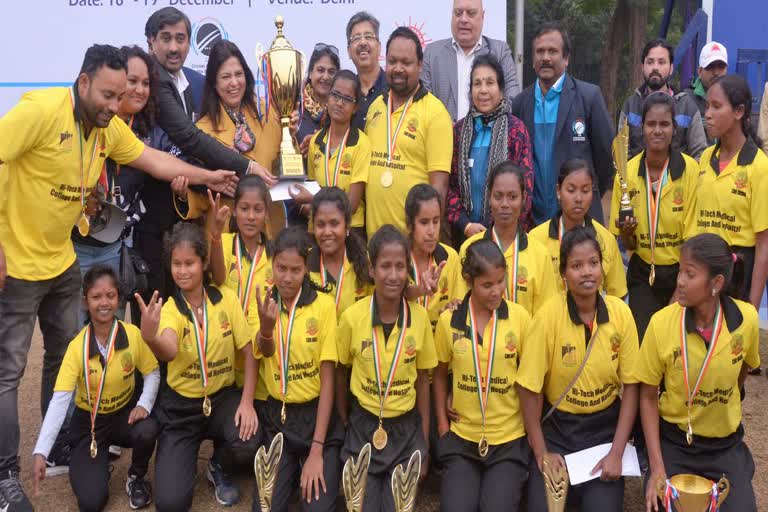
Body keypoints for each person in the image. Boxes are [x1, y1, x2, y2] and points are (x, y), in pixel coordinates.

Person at [0, 44, 236, 510]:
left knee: (62, 355)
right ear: (83, 82)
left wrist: (209, 175)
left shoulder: (104, 131)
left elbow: (156, 162)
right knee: (8, 373)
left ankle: (68, 441)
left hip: (61, 261)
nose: (114, 104)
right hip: (18, 264)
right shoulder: (41, 111)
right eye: (107, 94)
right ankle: (6, 476)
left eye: (121, 94)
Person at [136, 222, 260, 510]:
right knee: (170, 504)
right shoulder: (169, 310)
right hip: (180, 408)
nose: (182, 271)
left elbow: (249, 350)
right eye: (176, 264)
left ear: (204, 263)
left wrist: (247, 401)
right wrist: (150, 336)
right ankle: (181, 458)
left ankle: (217, 464)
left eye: (189, 263)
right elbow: (169, 350)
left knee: (249, 442)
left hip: (221, 398)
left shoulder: (225, 299)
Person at [517, 227, 640, 512]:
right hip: (558, 431)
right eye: (576, 265)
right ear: (563, 274)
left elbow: (632, 387)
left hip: (602, 434)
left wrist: (616, 453)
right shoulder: (547, 316)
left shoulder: (621, 314)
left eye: (593, 263)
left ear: (602, 266)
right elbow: (528, 390)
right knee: (541, 507)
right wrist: (542, 452)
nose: (587, 272)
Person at [636, 234, 759, 512]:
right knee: (661, 504)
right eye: (680, 270)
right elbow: (647, 397)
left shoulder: (746, 319)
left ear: (716, 283)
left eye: (689, 274)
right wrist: (657, 468)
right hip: (675, 443)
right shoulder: (661, 323)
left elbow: (743, 370)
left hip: (723, 447)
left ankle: (740, 463)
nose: (679, 280)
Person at [31, 266, 160, 511]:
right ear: (84, 301)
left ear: (118, 299)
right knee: (91, 502)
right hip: (88, 425)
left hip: (124, 416)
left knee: (148, 428)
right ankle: (98, 467)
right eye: (96, 297)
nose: (104, 303)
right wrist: (41, 450)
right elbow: (59, 401)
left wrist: (144, 403)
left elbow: (152, 373)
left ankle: (136, 477)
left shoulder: (132, 335)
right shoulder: (76, 347)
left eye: (110, 296)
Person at [336, 225, 437, 512]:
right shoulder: (353, 318)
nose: (393, 275)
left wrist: (424, 445)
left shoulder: (419, 319)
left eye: (400, 267)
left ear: (408, 271)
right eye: (385, 266)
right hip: (362, 426)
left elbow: (423, 383)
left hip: (406, 431)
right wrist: (346, 420)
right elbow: (342, 371)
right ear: (371, 269)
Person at [433, 239, 531, 511]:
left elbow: (531, 381)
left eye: (500, 281)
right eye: (487, 285)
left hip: (508, 440)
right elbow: (440, 375)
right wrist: (443, 428)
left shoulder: (520, 319)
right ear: (469, 281)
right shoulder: (448, 322)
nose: (496, 291)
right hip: (462, 438)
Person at [251, 227, 342, 512]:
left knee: (316, 508)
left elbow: (328, 382)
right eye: (281, 268)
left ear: (306, 269)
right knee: (264, 508)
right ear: (272, 265)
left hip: (316, 418)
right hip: (278, 419)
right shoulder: (265, 301)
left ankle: (318, 466)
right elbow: (263, 352)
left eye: (295, 270)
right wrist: (266, 329)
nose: (287, 278)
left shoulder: (324, 306)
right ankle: (289, 474)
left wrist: (317, 449)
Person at [72, 45, 157, 326]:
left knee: (113, 332)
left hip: (116, 244)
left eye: (145, 83)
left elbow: (162, 164)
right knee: (71, 337)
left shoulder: (149, 131)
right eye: (131, 82)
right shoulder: (88, 121)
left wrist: (204, 177)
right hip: (75, 243)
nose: (138, 90)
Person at [144, 7, 275, 182]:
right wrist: (247, 166)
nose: (174, 47)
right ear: (151, 42)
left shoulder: (189, 79)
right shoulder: (153, 80)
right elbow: (189, 138)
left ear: (189, 42)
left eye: (180, 39)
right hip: (154, 195)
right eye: (166, 39)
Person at [170, 39, 284, 237]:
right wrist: (184, 194)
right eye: (225, 76)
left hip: (269, 231)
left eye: (238, 74)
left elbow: (281, 167)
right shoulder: (201, 132)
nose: (234, 83)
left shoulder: (268, 113)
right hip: (225, 236)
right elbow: (204, 194)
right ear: (214, 83)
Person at [609, 93, 699, 339]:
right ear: (642, 128)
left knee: (674, 346)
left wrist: (680, 288)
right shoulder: (626, 171)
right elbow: (628, 245)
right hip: (641, 273)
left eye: (664, 124)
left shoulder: (691, 170)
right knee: (643, 343)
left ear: (674, 128)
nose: (657, 131)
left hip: (681, 272)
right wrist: (627, 235)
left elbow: (692, 241)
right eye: (651, 124)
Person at [511, 23, 614, 224]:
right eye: (540, 52)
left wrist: (584, 195)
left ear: (566, 58)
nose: (546, 58)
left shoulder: (589, 97)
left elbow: (607, 157)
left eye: (553, 51)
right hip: (534, 222)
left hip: (579, 220)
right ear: (533, 60)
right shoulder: (521, 103)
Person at [365, 27, 453, 238]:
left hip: (413, 246)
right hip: (374, 245)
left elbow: (438, 188)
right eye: (393, 61)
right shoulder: (375, 107)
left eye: (406, 63)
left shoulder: (435, 113)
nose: (398, 68)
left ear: (420, 65)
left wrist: (423, 243)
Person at [691, 74, 768, 309]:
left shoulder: (759, 166)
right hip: (702, 273)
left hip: (737, 277)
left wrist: (752, 308)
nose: (708, 114)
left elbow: (764, 245)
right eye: (707, 107)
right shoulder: (704, 158)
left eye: (716, 106)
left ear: (739, 111)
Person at [447, 54, 533, 244]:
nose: (483, 90)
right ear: (470, 91)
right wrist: (466, 225)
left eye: (490, 83)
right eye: (477, 84)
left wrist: (493, 230)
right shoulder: (458, 132)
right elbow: (450, 187)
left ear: (501, 90)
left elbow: (525, 188)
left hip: (505, 236)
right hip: (464, 236)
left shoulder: (516, 131)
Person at [459, 162, 556, 316]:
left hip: (527, 339)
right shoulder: (469, 248)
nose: (505, 204)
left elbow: (546, 316)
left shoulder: (540, 254)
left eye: (512, 197)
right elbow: (461, 305)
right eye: (498, 196)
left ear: (523, 198)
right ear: (489, 197)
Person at [529, 159, 626, 298]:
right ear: (558, 191)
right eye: (571, 190)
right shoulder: (536, 239)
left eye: (585, 190)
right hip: (551, 319)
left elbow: (618, 296)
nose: (579, 198)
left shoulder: (606, 239)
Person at [291, 70, 370, 233]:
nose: (340, 103)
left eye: (347, 99)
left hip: (350, 231)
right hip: (319, 229)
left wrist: (313, 199)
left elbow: (352, 205)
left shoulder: (361, 143)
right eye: (335, 95)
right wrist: (304, 205)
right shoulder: (315, 142)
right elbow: (312, 188)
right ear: (328, 98)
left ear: (355, 107)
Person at [421, 0, 520, 122]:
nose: (463, 19)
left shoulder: (499, 52)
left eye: (471, 13)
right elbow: (423, 102)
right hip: (443, 137)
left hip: (488, 137)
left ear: (482, 17)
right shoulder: (432, 53)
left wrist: (484, 126)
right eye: (458, 13)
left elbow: (512, 98)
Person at [620, 38, 707, 160]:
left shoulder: (687, 106)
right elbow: (621, 154)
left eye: (661, 62)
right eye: (650, 62)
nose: (655, 67)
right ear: (642, 67)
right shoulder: (630, 106)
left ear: (671, 68)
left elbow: (700, 154)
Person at [307, 187, 373, 318]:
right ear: (313, 227)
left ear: (347, 225)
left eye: (334, 223)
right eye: (320, 224)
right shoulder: (303, 263)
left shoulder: (366, 262)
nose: (327, 232)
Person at [404, 184, 462, 329]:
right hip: (404, 346)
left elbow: (459, 302)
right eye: (424, 222)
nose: (431, 231)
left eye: (436, 221)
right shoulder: (396, 258)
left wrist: (451, 310)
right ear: (410, 224)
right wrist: (419, 290)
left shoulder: (451, 257)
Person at [346, 12, 388, 131]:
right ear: (349, 51)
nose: (363, 42)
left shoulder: (394, 90)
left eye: (368, 36)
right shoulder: (345, 95)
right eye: (356, 38)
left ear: (379, 47)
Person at [684, 41, 728, 145]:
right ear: (699, 71)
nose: (716, 72)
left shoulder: (733, 99)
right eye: (710, 66)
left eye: (721, 66)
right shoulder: (685, 100)